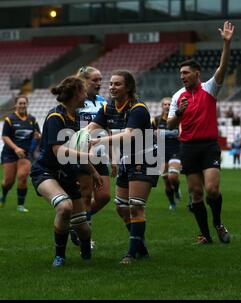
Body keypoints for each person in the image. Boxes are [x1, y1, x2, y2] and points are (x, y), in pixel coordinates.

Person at [167, 21, 234, 245]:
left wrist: (226, 44)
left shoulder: (209, 88)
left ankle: (218, 223)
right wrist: (178, 114)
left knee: (212, 190)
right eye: (180, 73)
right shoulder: (178, 96)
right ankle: (205, 234)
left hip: (208, 146)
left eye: (186, 73)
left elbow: (222, 68)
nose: (182, 76)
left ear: (197, 73)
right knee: (196, 194)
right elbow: (169, 125)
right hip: (188, 147)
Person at [30, 75, 103, 267]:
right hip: (46, 172)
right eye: (84, 91)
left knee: (83, 228)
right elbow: (59, 150)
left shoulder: (76, 118)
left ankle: (85, 249)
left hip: (67, 175)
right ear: (77, 93)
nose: (86, 94)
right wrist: (85, 157)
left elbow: (73, 154)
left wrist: (93, 172)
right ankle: (59, 256)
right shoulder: (56, 117)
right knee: (64, 207)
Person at [87, 70, 159, 264]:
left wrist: (100, 141)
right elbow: (90, 128)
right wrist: (77, 138)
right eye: (110, 84)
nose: (112, 87)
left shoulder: (138, 108)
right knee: (121, 207)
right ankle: (141, 247)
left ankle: (131, 253)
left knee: (135, 206)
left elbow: (128, 135)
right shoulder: (108, 108)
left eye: (117, 84)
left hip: (145, 158)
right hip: (127, 158)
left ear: (128, 87)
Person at [69, 66, 111, 248]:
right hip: (82, 154)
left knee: (104, 196)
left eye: (100, 80)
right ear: (84, 81)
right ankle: (86, 238)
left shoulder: (103, 101)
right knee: (85, 196)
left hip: (100, 154)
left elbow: (107, 127)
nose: (99, 83)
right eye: (95, 80)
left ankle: (78, 222)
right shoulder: (76, 101)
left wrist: (113, 154)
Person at [0, 96, 41, 212]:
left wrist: (38, 137)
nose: (22, 105)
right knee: (8, 181)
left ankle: (20, 206)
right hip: (10, 153)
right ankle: (3, 194)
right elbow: (5, 136)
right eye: (20, 103)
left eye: (24, 103)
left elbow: (37, 134)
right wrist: (16, 148)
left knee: (22, 177)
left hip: (25, 154)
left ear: (27, 104)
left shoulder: (32, 119)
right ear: (16, 105)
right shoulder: (10, 119)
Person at [151, 97, 182, 210]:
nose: (167, 106)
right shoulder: (156, 120)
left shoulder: (177, 119)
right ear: (162, 106)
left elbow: (178, 133)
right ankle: (172, 202)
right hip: (161, 152)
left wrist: (161, 133)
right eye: (165, 104)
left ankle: (177, 189)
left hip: (175, 150)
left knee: (173, 176)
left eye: (169, 104)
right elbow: (152, 133)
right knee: (167, 182)